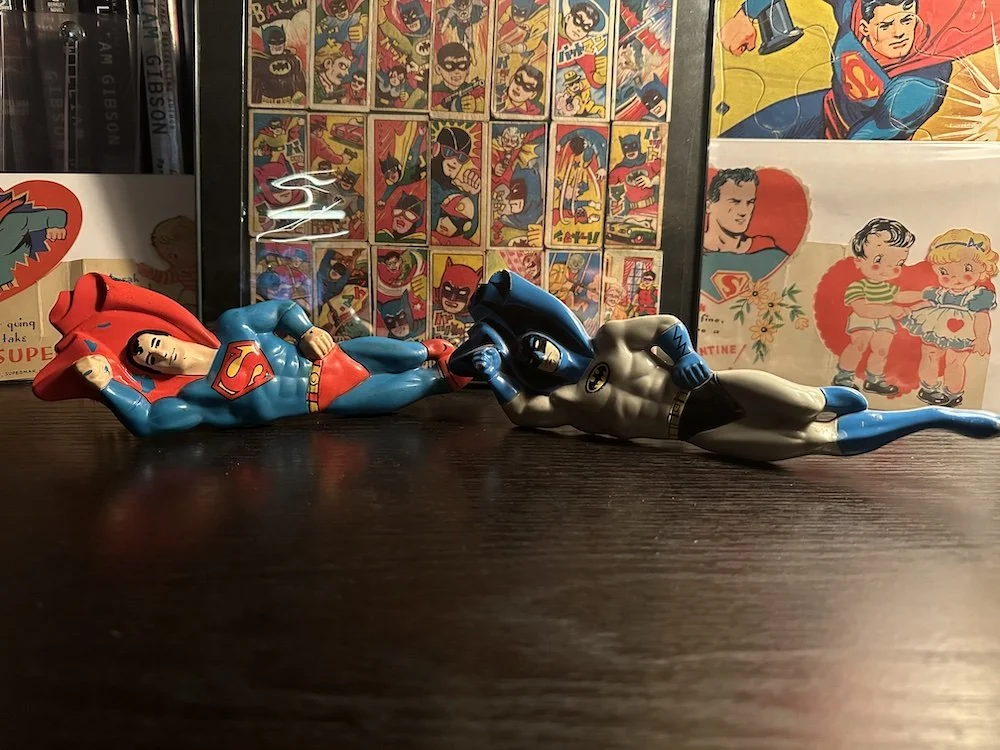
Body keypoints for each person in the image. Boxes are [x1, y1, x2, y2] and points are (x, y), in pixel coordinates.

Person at [450, 270, 1000, 462]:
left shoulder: (611, 340)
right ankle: (932, 417)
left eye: (536, 343)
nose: (536, 353)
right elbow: (524, 414)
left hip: (707, 387)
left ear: (550, 330)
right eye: (528, 357)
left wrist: (685, 355)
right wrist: (494, 374)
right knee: (814, 440)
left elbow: (667, 325)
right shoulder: (568, 403)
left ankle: (825, 396)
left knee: (803, 405)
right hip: (693, 432)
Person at [32, 274, 469, 437]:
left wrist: (306, 329)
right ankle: (454, 375)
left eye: (150, 343)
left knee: (413, 352)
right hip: (324, 399)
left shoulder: (234, 327)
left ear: (168, 334)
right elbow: (149, 421)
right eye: (144, 358)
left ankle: (437, 349)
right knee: (430, 382)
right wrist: (107, 384)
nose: (152, 353)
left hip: (327, 357)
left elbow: (281, 309)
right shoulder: (197, 397)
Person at [900, 229, 999, 407]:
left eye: (967, 269)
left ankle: (953, 393)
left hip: (963, 330)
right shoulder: (940, 293)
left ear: (982, 268)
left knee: (955, 362)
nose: (955, 277)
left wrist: (982, 338)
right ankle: (928, 388)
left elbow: (982, 316)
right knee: (930, 354)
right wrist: (906, 307)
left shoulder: (978, 295)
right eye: (945, 272)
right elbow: (923, 299)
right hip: (935, 325)